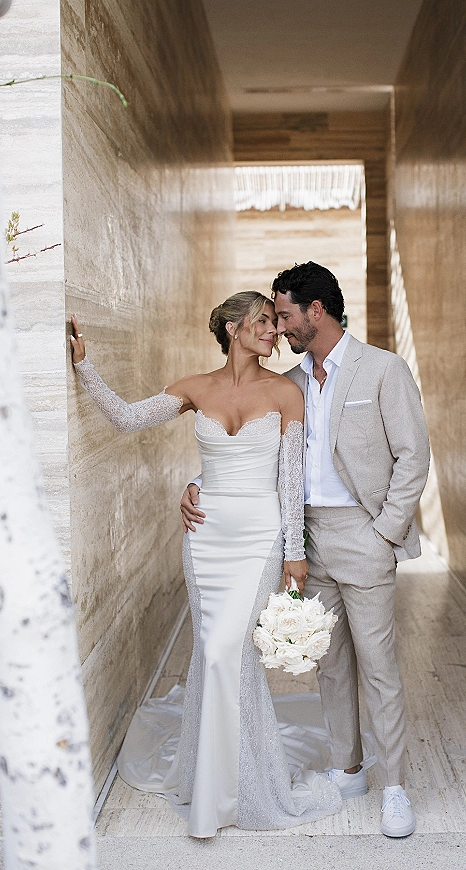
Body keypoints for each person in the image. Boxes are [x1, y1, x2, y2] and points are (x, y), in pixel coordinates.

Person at [70, 292, 342, 839]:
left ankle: (247, 786)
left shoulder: (286, 392)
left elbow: (290, 481)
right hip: (206, 539)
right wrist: (83, 365)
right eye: (264, 322)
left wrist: (294, 551)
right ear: (234, 327)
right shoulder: (195, 387)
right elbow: (126, 419)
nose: (274, 332)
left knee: (228, 653)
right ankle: (215, 781)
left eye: (275, 323)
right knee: (214, 653)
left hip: (261, 537)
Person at [181, 262, 430, 838]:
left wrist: (385, 533)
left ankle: (394, 784)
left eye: (286, 315)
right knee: (331, 663)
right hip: (305, 538)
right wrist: (198, 482)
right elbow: (251, 451)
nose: (279, 329)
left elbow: (413, 457)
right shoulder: (288, 384)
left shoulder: (383, 370)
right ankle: (348, 769)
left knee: (379, 666)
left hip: (364, 535)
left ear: (315, 311)